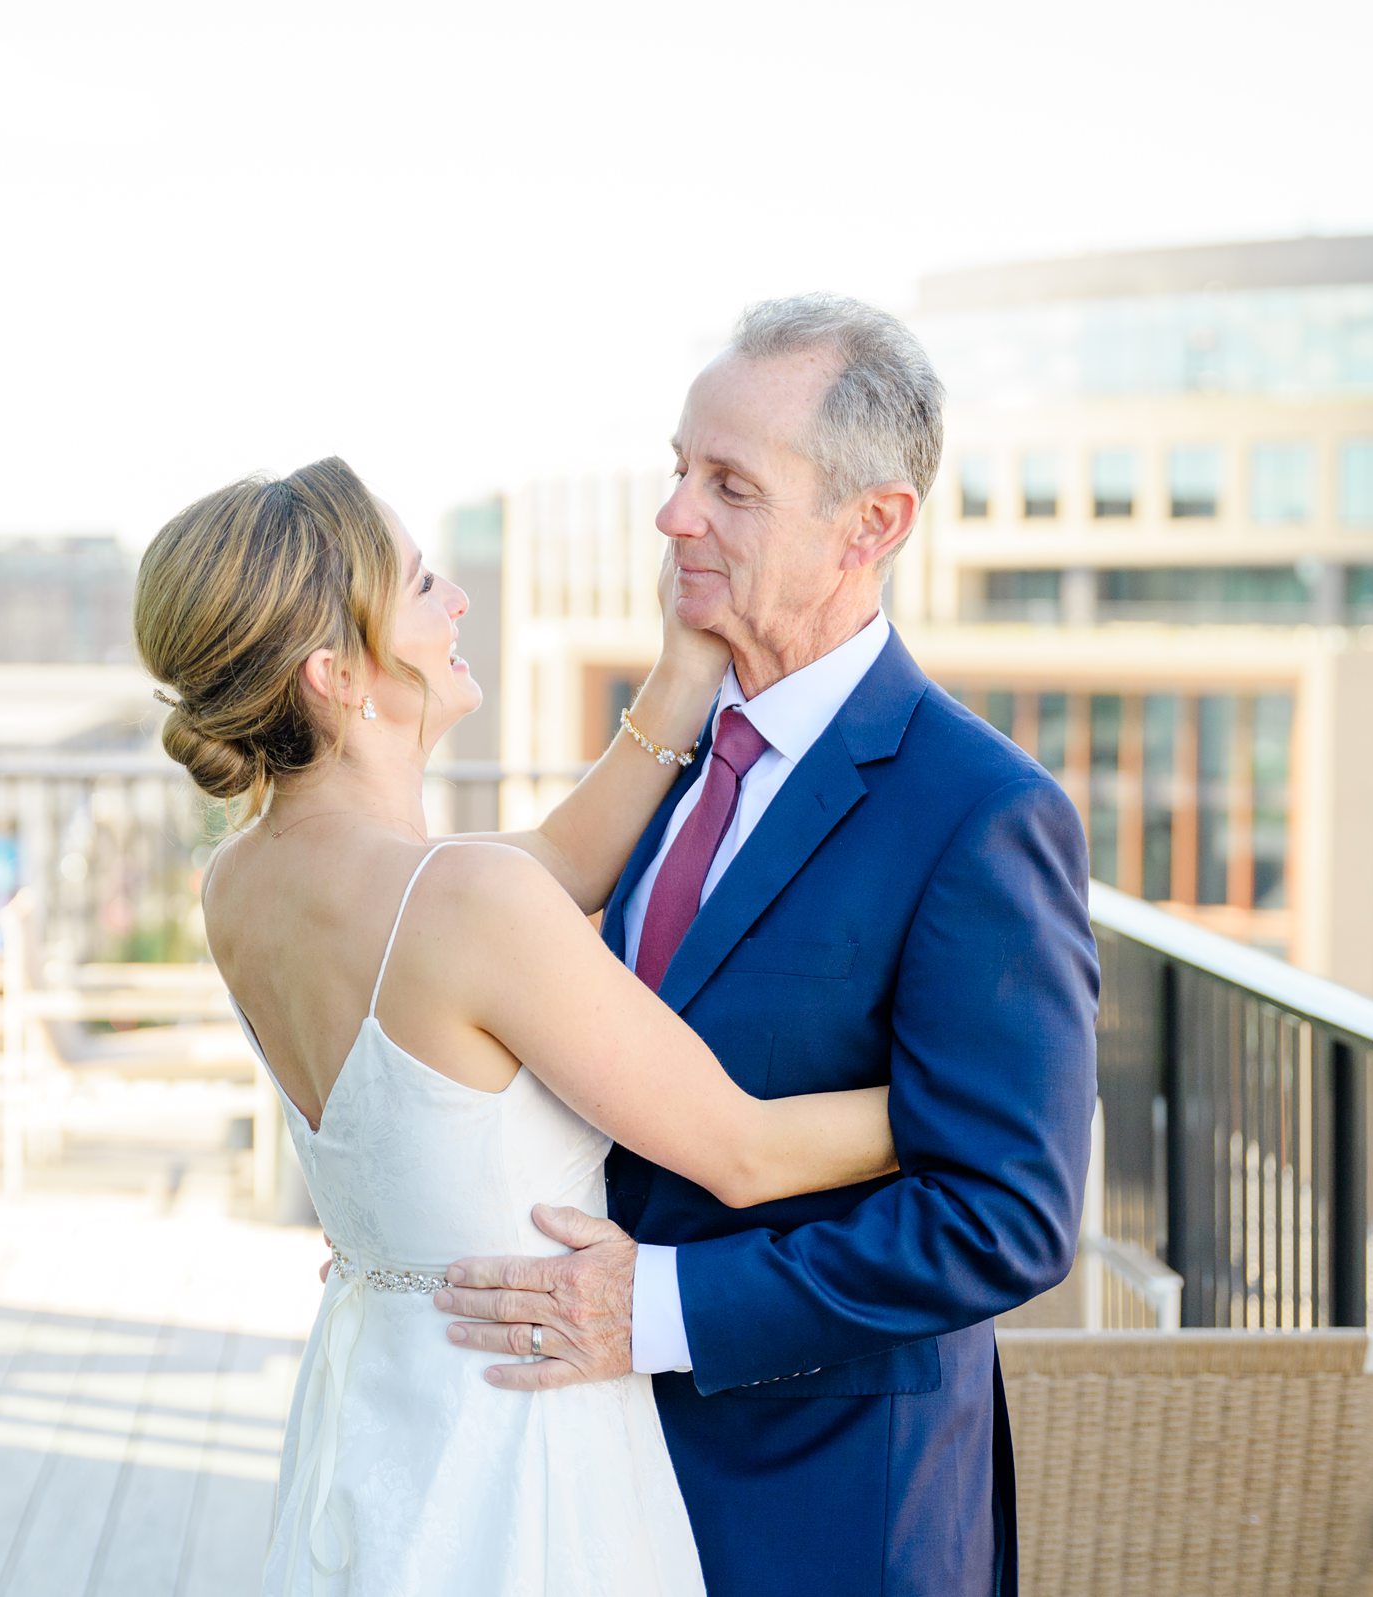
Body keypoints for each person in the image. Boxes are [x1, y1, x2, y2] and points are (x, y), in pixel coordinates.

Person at [134, 454, 900, 1596]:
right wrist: (978, 1105)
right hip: (517, 1440)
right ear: (338, 673)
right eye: (424, 583)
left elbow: (557, 863)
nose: (458, 603)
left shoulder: (242, 881)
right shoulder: (457, 904)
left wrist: (681, 673)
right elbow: (743, 1150)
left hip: (383, 1416)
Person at [433, 294, 1099, 1595]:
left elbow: (1006, 1215)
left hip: (832, 1506)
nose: (676, 515)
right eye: (679, 472)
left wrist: (662, 1309)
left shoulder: (984, 814)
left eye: (730, 485)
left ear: (874, 524)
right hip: (600, 1472)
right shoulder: (675, 762)